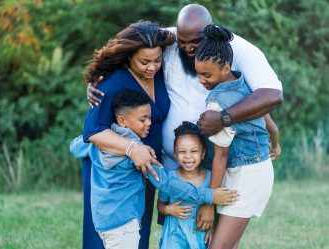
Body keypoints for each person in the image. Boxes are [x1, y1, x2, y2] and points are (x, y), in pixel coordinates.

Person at [87, 3, 283, 243]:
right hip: (176, 167)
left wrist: (227, 121)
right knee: (184, 236)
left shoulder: (235, 56)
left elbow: (269, 98)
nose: (189, 48)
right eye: (183, 43)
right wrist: (99, 77)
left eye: (195, 43)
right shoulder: (170, 42)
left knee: (213, 240)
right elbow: (134, 44)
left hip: (220, 169)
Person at [70, 89, 238, 249]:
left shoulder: (100, 142)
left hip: (103, 220)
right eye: (143, 120)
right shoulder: (138, 154)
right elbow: (166, 183)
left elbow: (75, 146)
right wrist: (209, 195)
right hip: (124, 222)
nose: (149, 123)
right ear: (122, 121)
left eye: (150, 118)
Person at [81, 20, 175, 249]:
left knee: (138, 232)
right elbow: (92, 131)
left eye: (157, 60)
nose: (152, 67)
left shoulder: (159, 75)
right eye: (144, 62)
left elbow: (182, 33)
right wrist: (133, 149)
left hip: (145, 166)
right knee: (109, 235)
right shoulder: (112, 83)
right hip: (114, 173)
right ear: (129, 56)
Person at [194, 24, 280, 249]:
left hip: (246, 178)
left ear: (225, 67)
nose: (201, 80)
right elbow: (269, 122)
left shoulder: (216, 103)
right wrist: (276, 143)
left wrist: (209, 202)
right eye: (198, 74)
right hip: (255, 171)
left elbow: (220, 156)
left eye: (206, 74)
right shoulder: (245, 84)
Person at [157, 121, 218, 249]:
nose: (188, 157)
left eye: (194, 151)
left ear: (203, 153)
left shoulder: (211, 178)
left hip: (200, 234)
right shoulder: (170, 178)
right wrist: (169, 210)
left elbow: (217, 208)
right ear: (175, 153)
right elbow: (160, 204)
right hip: (174, 235)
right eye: (182, 151)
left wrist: (213, 229)